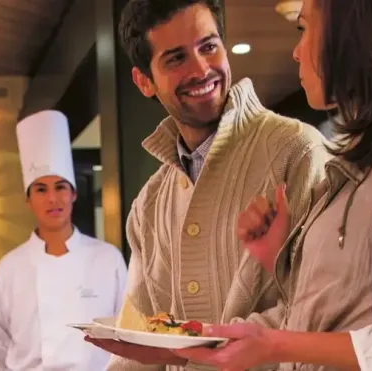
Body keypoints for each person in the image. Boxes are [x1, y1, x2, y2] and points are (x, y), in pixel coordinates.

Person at [174, 0, 372, 369]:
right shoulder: (365, 161)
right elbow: (332, 312)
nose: (296, 51)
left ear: (353, 36)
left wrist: (275, 346)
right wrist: (279, 257)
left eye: (303, 29)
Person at [84, 0, 331, 369]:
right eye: (175, 58)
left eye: (209, 47)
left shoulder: (297, 151)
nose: (201, 69)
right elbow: (141, 333)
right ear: (144, 81)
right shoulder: (149, 205)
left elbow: (327, 306)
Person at [0, 110, 128, 371]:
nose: (52, 199)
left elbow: (127, 327)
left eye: (60, 187)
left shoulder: (108, 258)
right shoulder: (10, 267)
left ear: (73, 194)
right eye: (41, 189)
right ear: (28, 200)